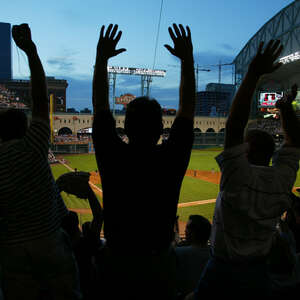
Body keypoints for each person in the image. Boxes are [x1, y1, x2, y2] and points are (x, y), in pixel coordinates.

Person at [92, 23, 195, 299]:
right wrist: (187, 61)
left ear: (124, 127)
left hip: (116, 262)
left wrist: (101, 59)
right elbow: (187, 111)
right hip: (158, 263)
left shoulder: (112, 154)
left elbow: (100, 107)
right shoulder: (171, 158)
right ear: (162, 128)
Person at [194, 40, 300, 299]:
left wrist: (253, 73)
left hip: (222, 269)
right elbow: (295, 141)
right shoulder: (281, 181)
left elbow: (234, 125)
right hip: (259, 272)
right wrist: (285, 107)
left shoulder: (237, 177)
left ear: (248, 152)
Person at [0, 24, 81, 300]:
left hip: (11, 254)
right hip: (49, 246)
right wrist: (31, 52)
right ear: (25, 129)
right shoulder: (34, 146)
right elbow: (39, 101)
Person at [175, 215, 211, 298]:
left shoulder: (179, 253)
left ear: (193, 233)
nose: (185, 230)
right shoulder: (215, 254)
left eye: (187, 228)